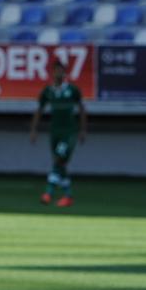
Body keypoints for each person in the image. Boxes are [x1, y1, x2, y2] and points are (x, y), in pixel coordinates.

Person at [30, 60, 88, 208]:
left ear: (65, 73)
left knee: (59, 160)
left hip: (69, 132)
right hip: (55, 132)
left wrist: (82, 130)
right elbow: (39, 110)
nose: (58, 73)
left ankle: (48, 193)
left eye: (61, 71)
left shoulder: (72, 90)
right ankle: (68, 196)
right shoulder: (48, 91)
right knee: (60, 163)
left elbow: (82, 109)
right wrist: (34, 129)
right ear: (52, 73)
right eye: (56, 71)